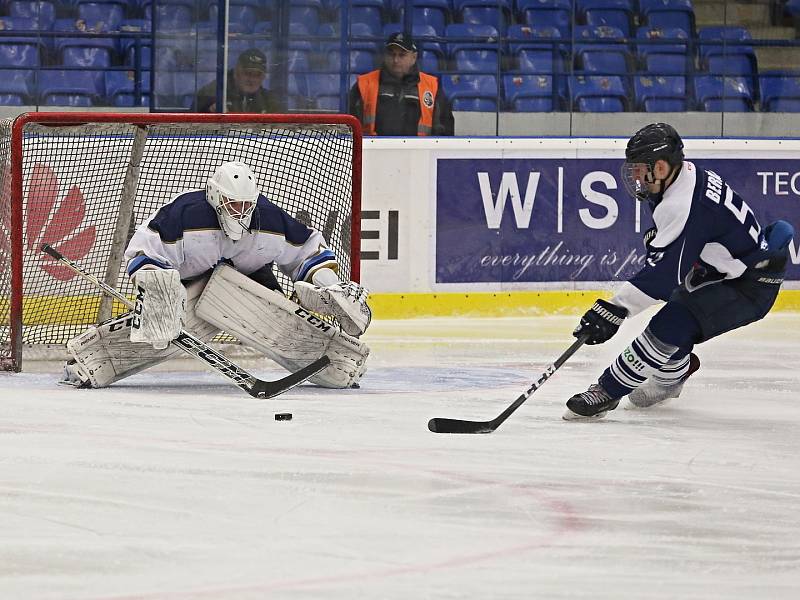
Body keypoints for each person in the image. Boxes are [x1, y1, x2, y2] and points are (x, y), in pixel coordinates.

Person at [61, 161, 371, 391]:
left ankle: (341, 364)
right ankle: (87, 362)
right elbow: (144, 251)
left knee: (280, 319)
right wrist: (157, 289)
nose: (240, 211)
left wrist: (329, 285)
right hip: (185, 283)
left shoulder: (270, 219)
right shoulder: (184, 214)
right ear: (215, 197)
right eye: (233, 204)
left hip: (249, 277)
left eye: (246, 205)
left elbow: (308, 251)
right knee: (166, 324)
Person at [564, 122, 794, 420]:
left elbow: (662, 277)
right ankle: (676, 370)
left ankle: (607, 391)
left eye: (639, 169)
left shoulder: (683, 203)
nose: (635, 177)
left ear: (660, 167)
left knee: (671, 322)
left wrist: (612, 311)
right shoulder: (686, 176)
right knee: (679, 316)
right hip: (720, 271)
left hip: (748, 285)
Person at [349, 32, 454, 136]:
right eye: (391, 54)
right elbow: (349, 126)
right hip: (373, 150)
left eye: (402, 55)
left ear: (414, 57)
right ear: (385, 56)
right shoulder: (364, 84)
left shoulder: (432, 86)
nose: (395, 60)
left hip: (419, 151)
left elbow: (444, 130)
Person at [195, 48, 282, 113]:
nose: (251, 79)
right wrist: (208, 113)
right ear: (236, 73)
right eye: (247, 73)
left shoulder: (269, 101)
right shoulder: (213, 93)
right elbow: (192, 126)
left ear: (263, 77)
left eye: (257, 75)